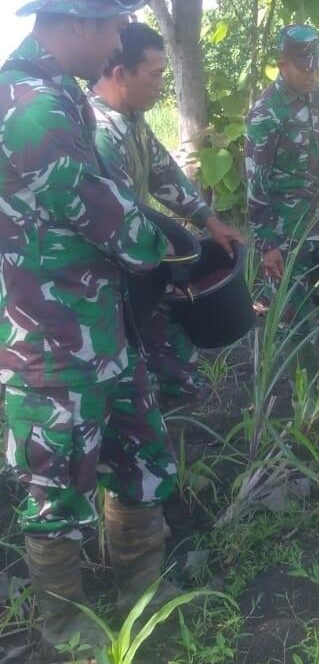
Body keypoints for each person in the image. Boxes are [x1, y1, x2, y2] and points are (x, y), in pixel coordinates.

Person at [0, 0, 180, 649]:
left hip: (101, 330)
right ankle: (68, 627)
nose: (116, 46)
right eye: (110, 27)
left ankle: (142, 598)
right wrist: (164, 246)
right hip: (50, 345)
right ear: (77, 20)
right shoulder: (28, 105)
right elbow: (106, 217)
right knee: (58, 492)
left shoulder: (63, 92)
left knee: (143, 458)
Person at [90, 22, 243, 404]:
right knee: (141, 379)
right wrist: (174, 262)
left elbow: (164, 174)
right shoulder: (99, 133)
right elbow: (121, 220)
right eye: (156, 75)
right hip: (112, 279)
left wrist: (209, 220)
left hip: (139, 268)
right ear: (122, 74)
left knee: (176, 370)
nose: (161, 84)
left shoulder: (131, 120)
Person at [245, 24, 319, 369]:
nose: (313, 74)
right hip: (285, 233)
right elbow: (256, 181)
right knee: (288, 314)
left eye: (317, 67)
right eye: (305, 68)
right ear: (283, 64)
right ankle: (291, 390)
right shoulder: (267, 112)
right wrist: (267, 244)